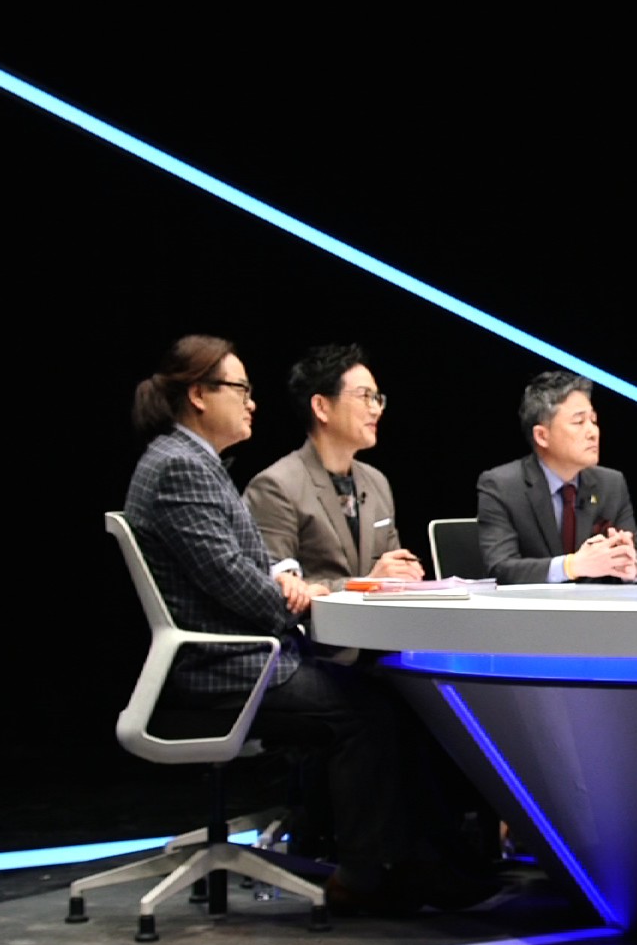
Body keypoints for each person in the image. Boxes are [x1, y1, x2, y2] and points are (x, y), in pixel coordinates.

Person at [124, 335, 488, 912]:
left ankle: (426, 860)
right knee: (370, 710)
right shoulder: (182, 468)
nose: (252, 402)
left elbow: (241, 566)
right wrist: (297, 597)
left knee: (398, 694)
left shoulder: (196, 463)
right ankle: (365, 878)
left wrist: (283, 581)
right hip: (224, 666)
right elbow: (230, 578)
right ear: (198, 395)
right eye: (240, 389)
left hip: (249, 653)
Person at [245, 344, 425, 591]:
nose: (376, 410)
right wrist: (366, 584)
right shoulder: (276, 486)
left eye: (377, 399)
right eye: (365, 396)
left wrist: (405, 572)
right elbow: (275, 587)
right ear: (321, 407)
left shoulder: (377, 482)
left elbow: (391, 569)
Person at [477, 370, 637, 584]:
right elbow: (500, 568)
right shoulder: (501, 486)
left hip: (597, 604)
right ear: (542, 436)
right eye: (579, 422)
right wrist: (571, 566)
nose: (593, 432)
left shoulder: (611, 484)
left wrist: (631, 567)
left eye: (593, 421)